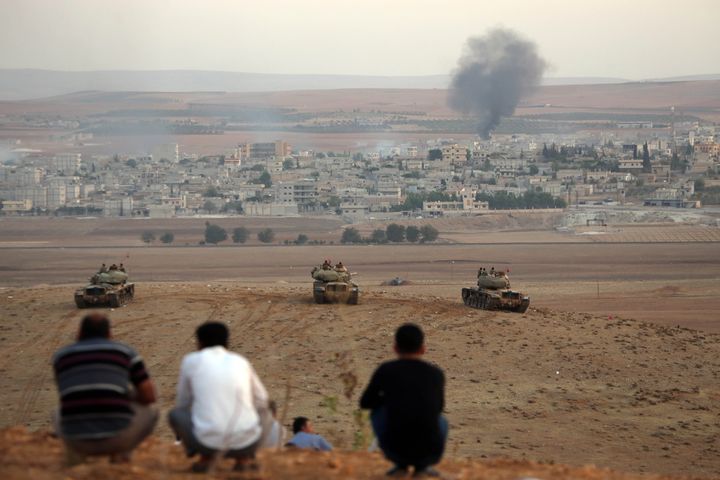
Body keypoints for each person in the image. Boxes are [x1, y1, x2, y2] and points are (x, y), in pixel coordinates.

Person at [52, 313, 158, 465]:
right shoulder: (125, 352)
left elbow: (64, 390)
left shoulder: (60, 357)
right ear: (109, 334)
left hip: (77, 439)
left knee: (56, 412)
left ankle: (76, 457)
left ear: (79, 333)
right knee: (152, 411)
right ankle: (122, 455)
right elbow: (149, 396)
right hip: (118, 437)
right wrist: (125, 396)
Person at [168, 322, 271, 473]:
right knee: (267, 410)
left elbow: (182, 403)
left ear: (200, 342)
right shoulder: (240, 361)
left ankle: (206, 458)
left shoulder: (191, 361)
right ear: (226, 342)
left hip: (207, 444)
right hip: (246, 443)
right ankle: (245, 459)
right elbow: (262, 399)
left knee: (176, 414)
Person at [360, 323, 447, 478]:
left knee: (378, 412)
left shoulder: (386, 370)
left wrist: (390, 398)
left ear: (395, 348)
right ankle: (422, 467)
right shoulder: (435, 374)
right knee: (442, 420)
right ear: (422, 349)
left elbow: (365, 402)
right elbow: (439, 408)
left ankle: (400, 465)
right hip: (431, 451)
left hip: (395, 448)